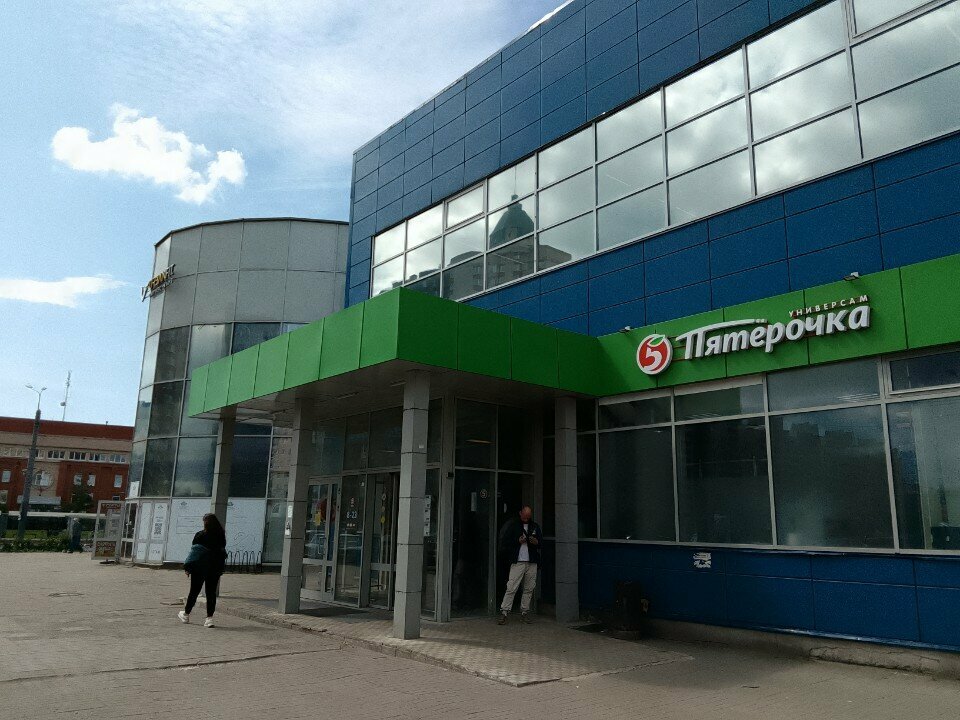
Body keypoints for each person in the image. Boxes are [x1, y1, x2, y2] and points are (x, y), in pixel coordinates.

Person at [178, 513, 227, 628]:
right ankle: (209, 619)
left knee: (194, 592)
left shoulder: (200, 535)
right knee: (211, 593)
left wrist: (188, 567)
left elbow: (194, 553)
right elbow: (221, 551)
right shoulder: (221, 536)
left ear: (205, 523)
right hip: (214, 568)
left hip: (199, 568)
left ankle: (186, 614)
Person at [497, 505, 542, 625]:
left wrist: (536, 542)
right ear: (520, 513)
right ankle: (504, 612)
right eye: (525, 516)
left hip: (531, 561)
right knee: (512, 587)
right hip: (518, 561)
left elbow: (541, 543)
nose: (526, 518)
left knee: (529, 588)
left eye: (528, 516)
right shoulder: (513, 526)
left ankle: (524, 612)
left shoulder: (535, 526)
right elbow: (505, 542)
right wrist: (518, 541)